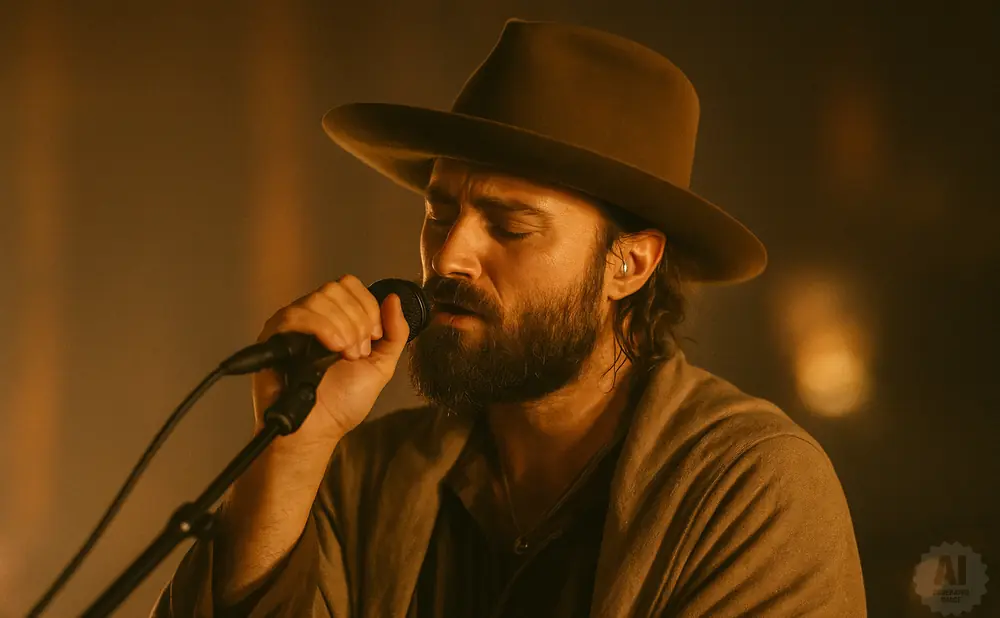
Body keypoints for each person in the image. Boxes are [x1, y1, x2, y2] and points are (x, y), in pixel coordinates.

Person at [152, 18, 866, 618]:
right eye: (440, 213)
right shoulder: (364, 474)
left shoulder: (751, 487)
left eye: (511, 226)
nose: (449, 256)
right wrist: (292, 449)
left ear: (629, 265)